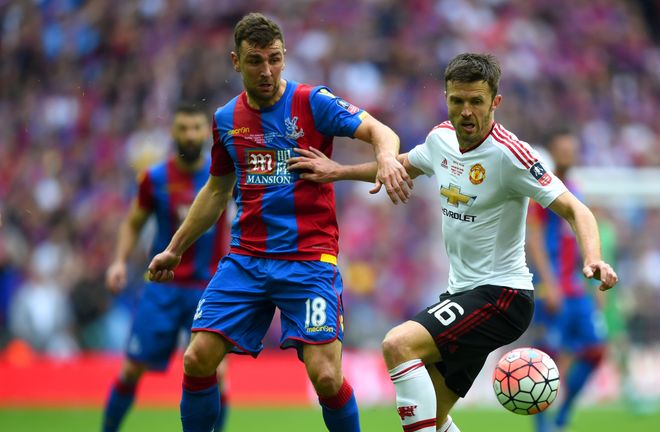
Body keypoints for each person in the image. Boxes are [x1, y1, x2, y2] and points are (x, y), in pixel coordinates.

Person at [287, 53, 619, 432]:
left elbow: (578, 209)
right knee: (436, 417)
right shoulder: (440, 139)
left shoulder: (512, 155)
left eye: (476, 101)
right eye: (457, 100)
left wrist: (594, 257)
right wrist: (338, 172)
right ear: (446, 97)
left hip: (503, 296)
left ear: (495, 102)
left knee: (398, 345)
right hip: (462, 295)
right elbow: (399, 164)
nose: (466, 111)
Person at [146, 12, 410, 432]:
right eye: (255, 61)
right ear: (236, 61)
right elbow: (216, 190)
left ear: (285, 56)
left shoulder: (312, 102)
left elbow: (382, 131)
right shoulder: (226, 119)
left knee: (325, 376)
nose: (266, 70)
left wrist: (385, 159)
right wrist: (174, 249)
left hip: (309, 262)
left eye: (274, 58)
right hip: (247, 260)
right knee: (197, 358)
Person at [102, 104, 229, 432]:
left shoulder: (225, 175)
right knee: (131, 369)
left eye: (196, 128)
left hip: (208, 289)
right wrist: (118, 261)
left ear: (207, 132)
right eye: (183, 128)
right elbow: (133, 223)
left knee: (218, 373)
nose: (190, 135)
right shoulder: (155, 179)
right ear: (173, 132)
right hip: (162, 287)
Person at [526, 131, 608, 432]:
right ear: (552, 153)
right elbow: (533, 237)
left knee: (596, 350)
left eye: (572, 150)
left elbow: (578, 241)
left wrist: (592, 283)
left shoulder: (576, 191)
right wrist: (549, 282)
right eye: (562, 150)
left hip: (576, 287)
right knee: (547, 358)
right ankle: (542, 425)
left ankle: (564, 413)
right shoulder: (540, 191)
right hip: (552, 286)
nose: (568, 155)